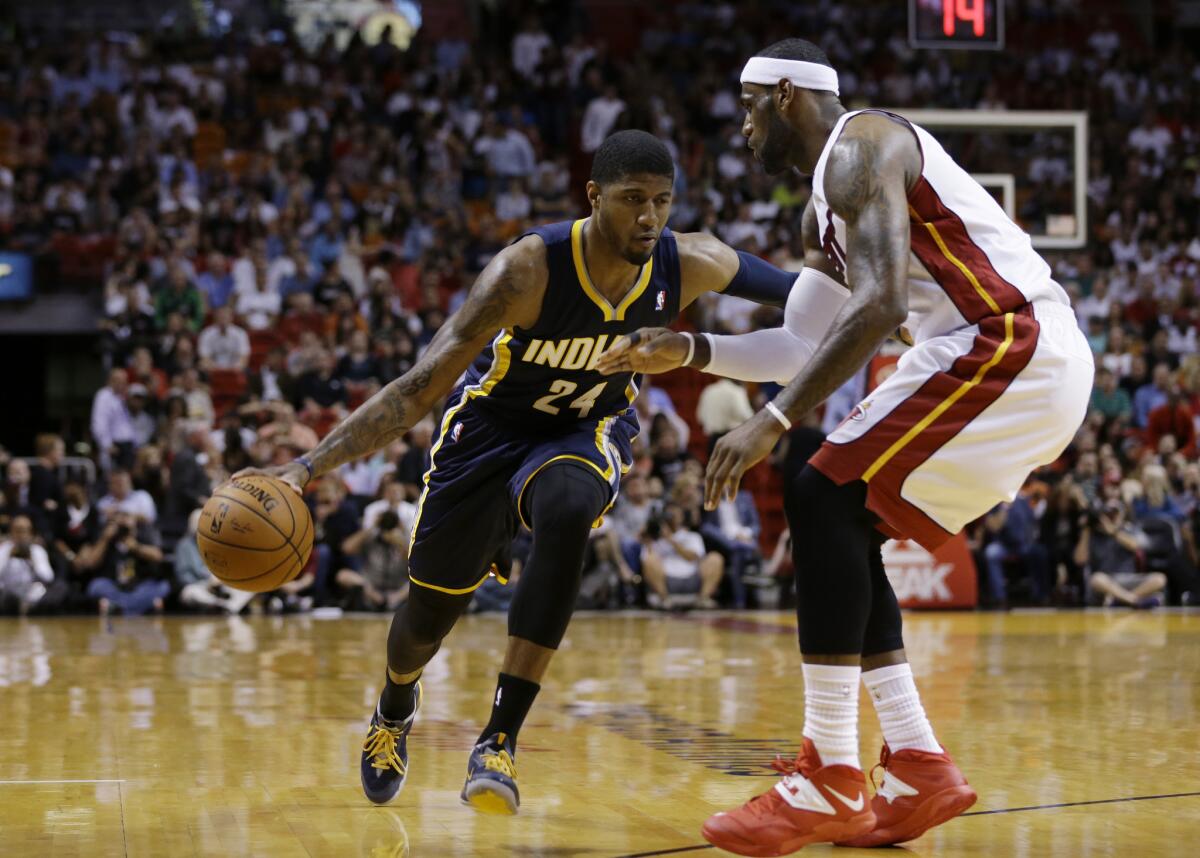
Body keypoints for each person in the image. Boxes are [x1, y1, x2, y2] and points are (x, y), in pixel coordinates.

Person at [599, 40, 1094, 853]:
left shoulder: (861, 146)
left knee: (819, 489)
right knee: (839, 509)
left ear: (789, 94)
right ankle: (916, 763)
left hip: (1008, 340)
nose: (744, 130)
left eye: (752, 109)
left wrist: (775, 419)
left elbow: (881, 303)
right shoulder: (818, 207)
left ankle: (830, 773)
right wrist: (689, 350)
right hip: (1002, 353)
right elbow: (802, 345)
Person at [232, 130, 798, 814]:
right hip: (489, 433)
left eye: (661, 201)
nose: (649, 217)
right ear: (593, 197)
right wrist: (306, 466)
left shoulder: (691, 262)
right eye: (631, 201)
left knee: (566, 508)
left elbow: (806, 298)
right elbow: (419, 386)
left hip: (583, 430)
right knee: (425, 621)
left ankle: (497, 741)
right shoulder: (527, 271)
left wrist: (900, 296)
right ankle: (393, 705)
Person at [641, 502, 724, 609]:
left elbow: (692, 557)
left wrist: (670, 539)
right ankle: (664, 599)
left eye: (676, 513)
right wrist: (647, 536)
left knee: (715, 558)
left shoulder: (692, 536)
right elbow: (646, 559)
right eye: (670, 513)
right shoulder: (656, 539)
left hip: (692, 579)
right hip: (667, 581)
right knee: (649, 559)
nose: (673, 517)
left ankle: (703, 598)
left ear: (682, 517)